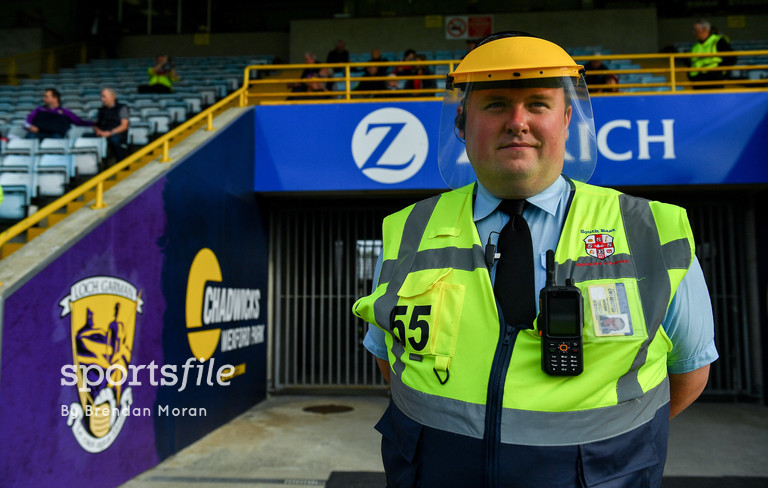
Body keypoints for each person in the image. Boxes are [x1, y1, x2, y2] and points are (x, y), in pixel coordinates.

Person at [353, 32, 717, 488]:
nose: (517, 122)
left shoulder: (650, 229)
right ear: (462, 123)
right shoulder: (407, 229)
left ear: (566, 119)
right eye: (496, 104)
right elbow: (393, 364)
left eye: (538, 104)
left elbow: (688, 375)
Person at [24, 88, 92, 139]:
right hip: (38, 134)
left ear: (55, 99)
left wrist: (94, 123)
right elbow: (26, 122)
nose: (44, 99)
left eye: (46, 97)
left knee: (57, 138)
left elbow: (78, 122)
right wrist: (30, 127)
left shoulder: (65, 112)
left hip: (55, 135)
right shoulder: (39, 110)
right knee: (30, 136)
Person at [688, 20, 736, 89]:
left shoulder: (717, 41)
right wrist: (692, 77)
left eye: (696, 30)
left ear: (704, 29)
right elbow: (692, 64)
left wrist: (720, 72)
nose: (693, 32)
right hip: (698, 81)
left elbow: (732, 58)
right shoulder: (695, 47)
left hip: (714, 80)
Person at [93, 88, 129, 162]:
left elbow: (124, 125)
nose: (102, 99)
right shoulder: (101, 110)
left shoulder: (122, 108)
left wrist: (110, 133)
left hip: (116, 133)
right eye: (101, 97)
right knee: (86, 136)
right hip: (102, 133)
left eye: (104, 96)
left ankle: (122, 163)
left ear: (112, 96)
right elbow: (95, 124)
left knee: (114, 140)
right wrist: (98, 131)